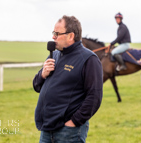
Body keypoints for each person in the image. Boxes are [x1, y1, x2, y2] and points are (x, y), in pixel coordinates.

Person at [33, 15, 103, 143]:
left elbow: (94, 96)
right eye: (53, 33)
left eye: (57, 33)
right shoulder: (53, 54)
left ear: (71, 36)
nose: (53, 37)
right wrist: (42, 74)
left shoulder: (88, 59)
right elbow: (36, 86)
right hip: (46, 128)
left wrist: (74, 122)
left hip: (68, 131)